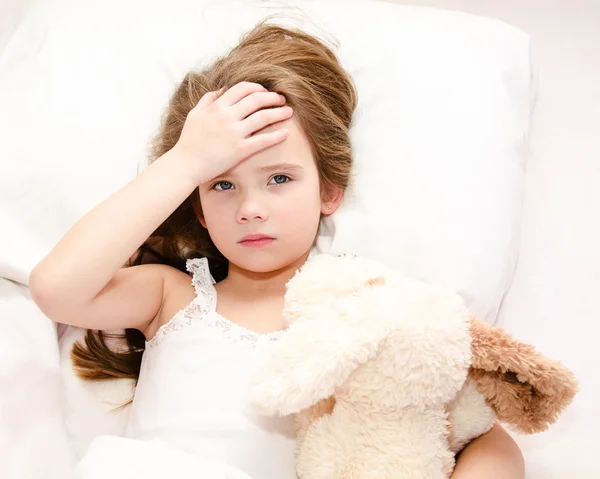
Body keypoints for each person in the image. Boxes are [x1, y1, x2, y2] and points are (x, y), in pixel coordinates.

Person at [29, 19, 524, 479]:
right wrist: (186, 162)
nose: (250, 209)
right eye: (222, 185)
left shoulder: (369, 316)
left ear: (330, 191)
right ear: (197, 206)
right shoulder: (173, 297)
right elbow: (57, 288)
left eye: (279, 178)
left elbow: (489, 442)